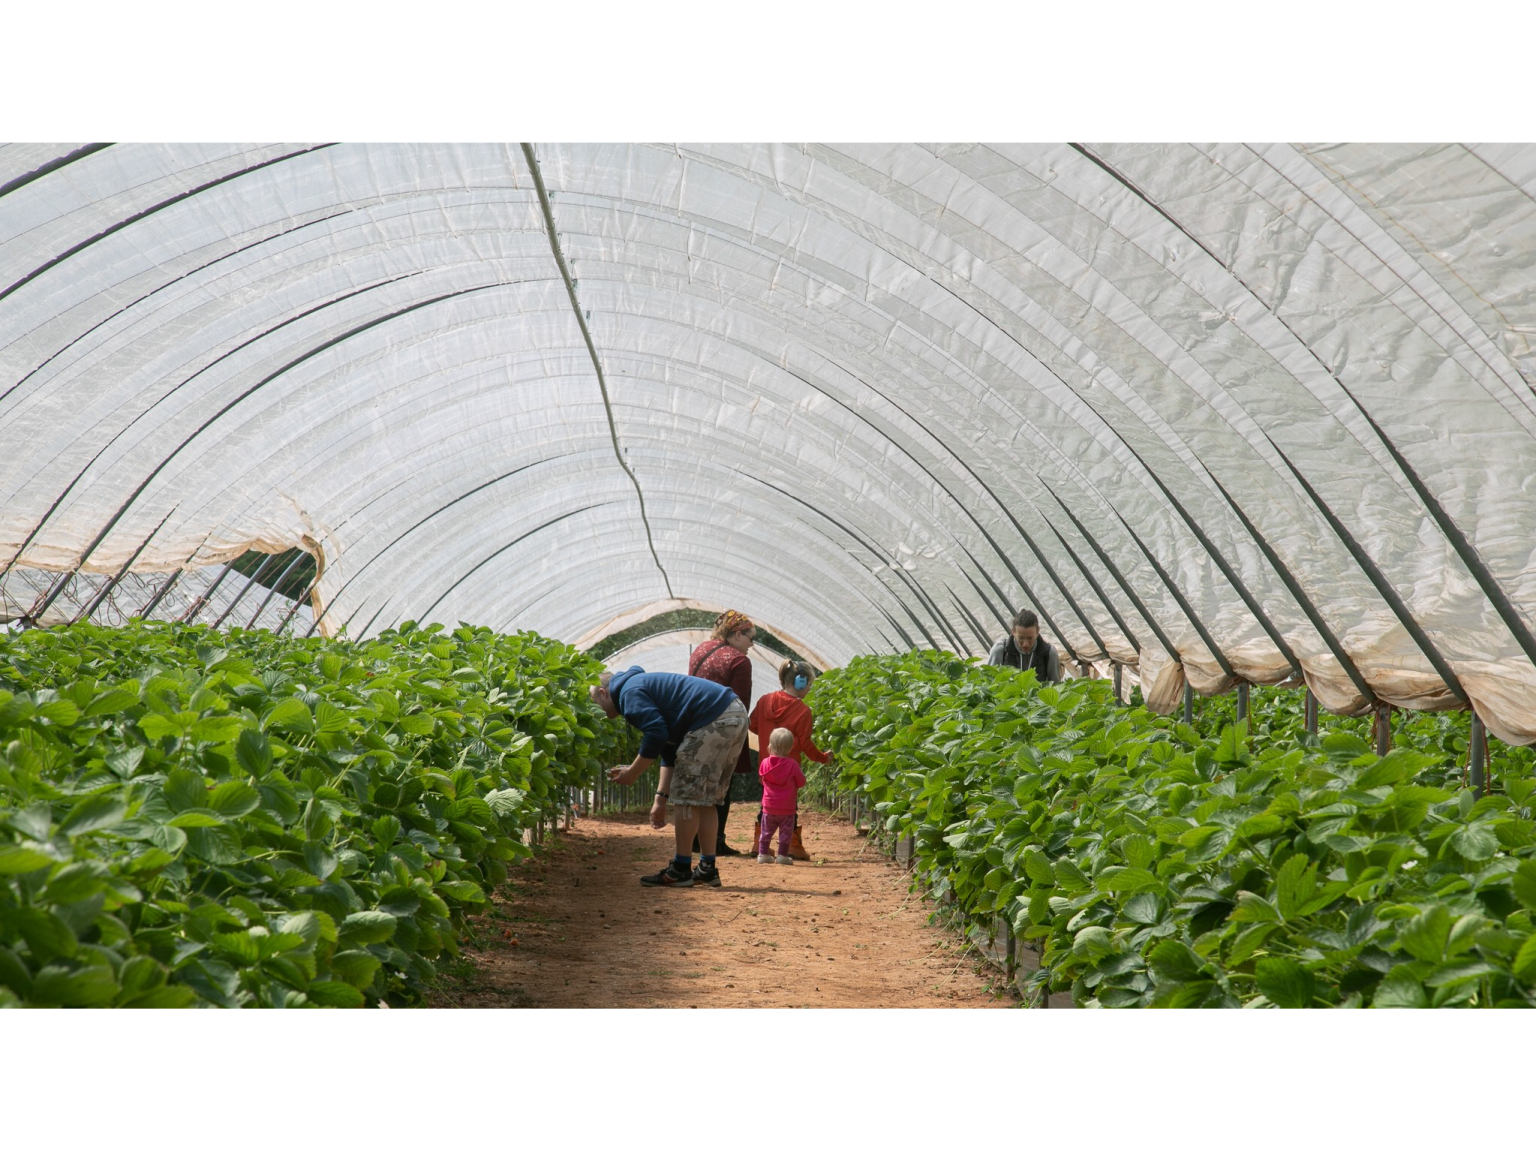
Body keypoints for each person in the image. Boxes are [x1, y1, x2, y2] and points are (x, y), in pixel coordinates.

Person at [591, 666, 749, 888]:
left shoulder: (628, 693)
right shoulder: (639, 686)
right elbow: (668, 749)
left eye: (594, 702)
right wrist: (660, 798)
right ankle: (707, 868)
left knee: (687, 799)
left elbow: (656, 734)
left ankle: (681, 870)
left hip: (713, 718)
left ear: (603, 692)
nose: (595, 709)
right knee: (705, 800)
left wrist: (633, 772)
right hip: (733, 713)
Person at [687, 609, 756, 856]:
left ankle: (694, 839)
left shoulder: (699, 651)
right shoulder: (739, 661)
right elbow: (740, 704)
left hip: (694, 725)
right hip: (721, 730)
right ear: (737, 635)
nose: (751, 645)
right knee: (721, 787)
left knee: (697, 783)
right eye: (751, 638)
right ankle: (715, 841)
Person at [748, 659, 828, 860]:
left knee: (767, 803)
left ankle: (759, 842)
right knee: (788, 806)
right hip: (789, 771)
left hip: (766, 766)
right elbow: (806, 745)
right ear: (801, 683)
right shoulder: (802, 711)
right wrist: (823, 758)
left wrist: (769, 734)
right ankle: (792, 844)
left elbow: (752, 725)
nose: (809, 689)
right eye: (809, 684)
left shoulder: (765, 700)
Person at [756, 727, 805, 864]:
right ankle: (782, 855)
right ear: (790, 748)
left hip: (769, 806)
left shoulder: (765, 763)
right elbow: (801, 782)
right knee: (785, 833)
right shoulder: (792, 765)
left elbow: (762, 779)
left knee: (765, 832)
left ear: (771, 745)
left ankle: (763, 854)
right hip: (787, 808)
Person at [987, 609, 1061, 683]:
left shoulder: (1049, 653)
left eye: (1030, 638)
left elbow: (1055, 685)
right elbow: (988, 682)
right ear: (1013, 632)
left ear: (1037, 631)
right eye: (1021, 638)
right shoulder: (1000, 650)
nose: (1025, 644)